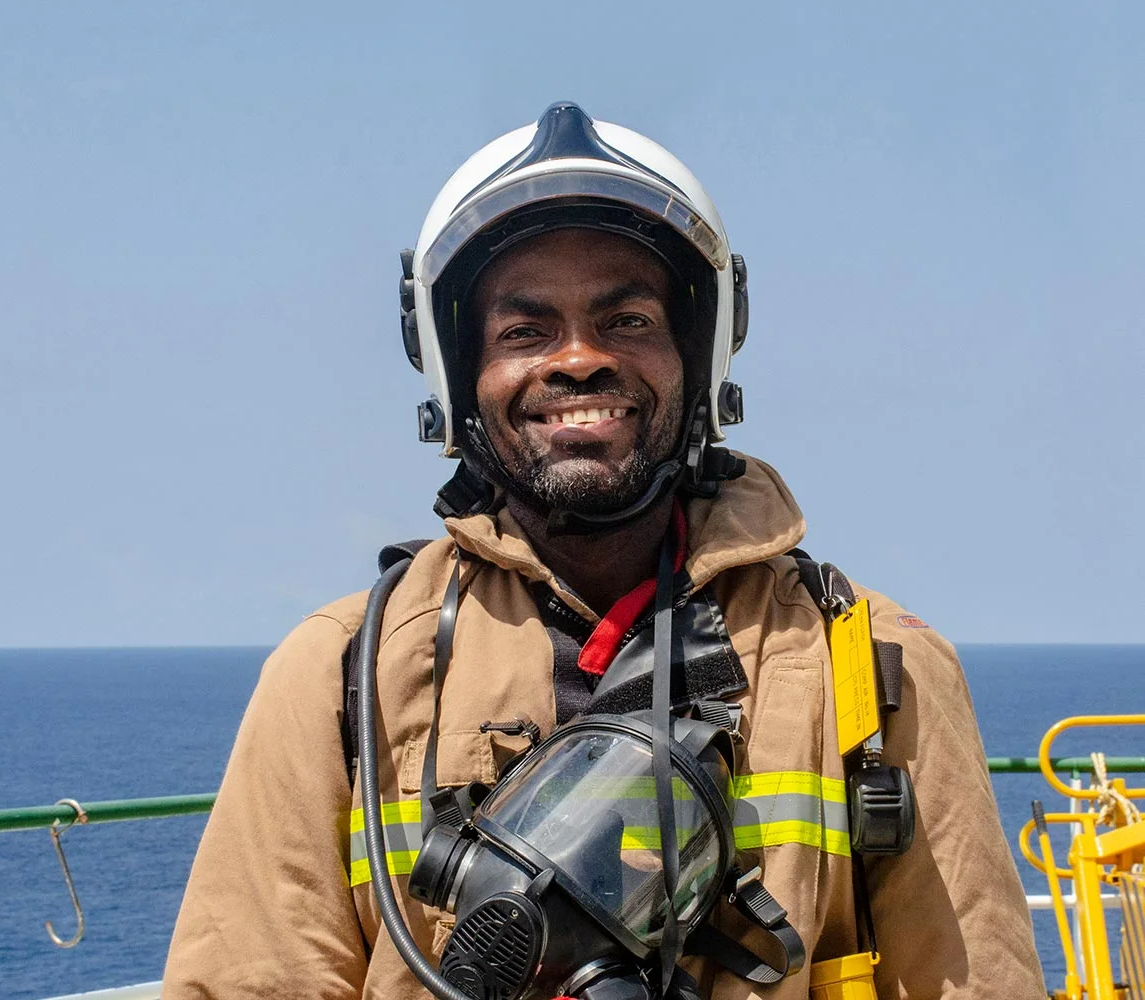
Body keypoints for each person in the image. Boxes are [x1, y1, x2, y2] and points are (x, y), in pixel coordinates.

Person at [161, 103, 1045, 999]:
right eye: (524, 330)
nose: (578, 360)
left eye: (626, 321)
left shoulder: (866, 661)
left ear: (697, 358)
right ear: (456, 375)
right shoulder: (342, 676)